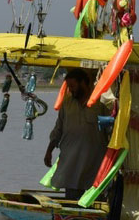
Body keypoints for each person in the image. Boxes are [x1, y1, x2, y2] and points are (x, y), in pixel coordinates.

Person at [44, 68, 110, 200]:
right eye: (68, 87)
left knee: (94, 199)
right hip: (71, 163)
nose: (71, 90)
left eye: (73, 86)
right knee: (71, 199)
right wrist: (49, 151)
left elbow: (109, 130)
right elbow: (58, 129)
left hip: (93, 164)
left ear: (83, 83)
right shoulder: (67, 104)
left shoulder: (99, 105)